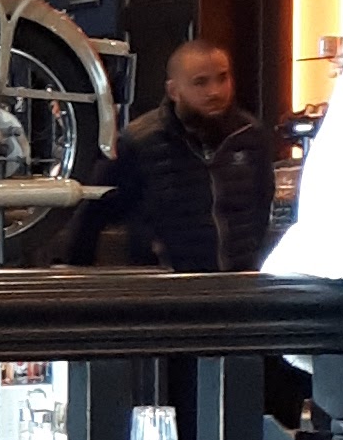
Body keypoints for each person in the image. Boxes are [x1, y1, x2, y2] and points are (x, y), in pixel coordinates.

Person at [67, 38, 274, 274]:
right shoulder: (139, 141)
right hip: (166, 285)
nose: (215, 91)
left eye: (222, 78)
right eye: (200, 82)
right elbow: (90, 217)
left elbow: (261, 209)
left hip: (240, 279)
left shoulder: (250, 135)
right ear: (174, 90)